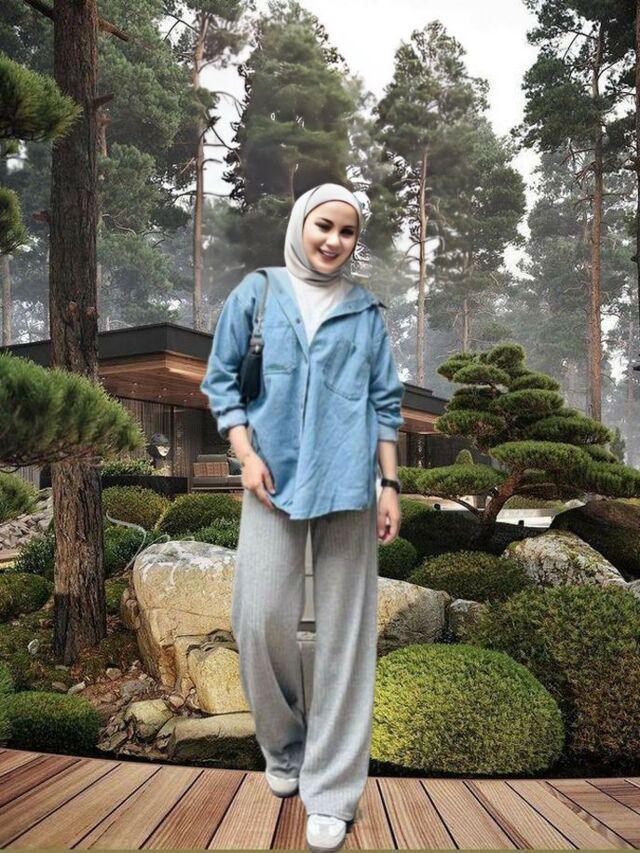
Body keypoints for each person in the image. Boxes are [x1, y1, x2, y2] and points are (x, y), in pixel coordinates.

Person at [200, 182, 405, 853]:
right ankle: (285, 746)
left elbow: (384, 403)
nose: (334, 241)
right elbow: (221, 380)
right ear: (300, 224)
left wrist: (390, 483)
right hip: (272, 484)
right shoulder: (256, 294)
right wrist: (244, 454)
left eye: (347, 232)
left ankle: (334, 790)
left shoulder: (366, 312)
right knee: (258, 617)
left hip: (350, 487)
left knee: (346, 639)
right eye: (324, 225)